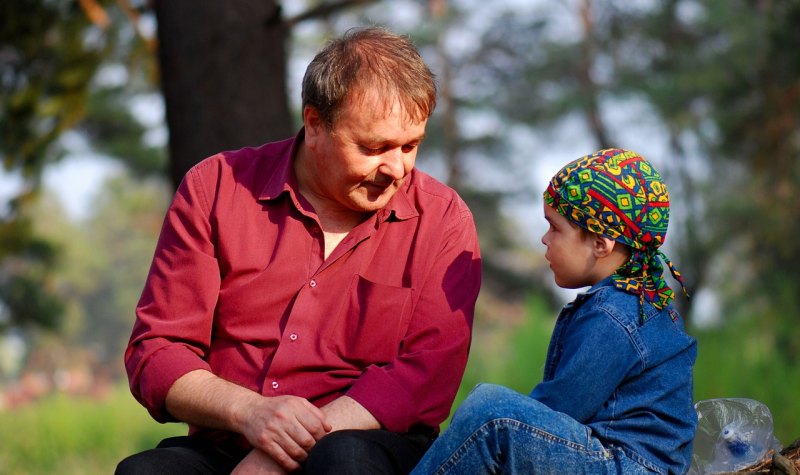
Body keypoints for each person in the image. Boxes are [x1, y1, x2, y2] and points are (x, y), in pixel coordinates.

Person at [116, 27, 482, 475]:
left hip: (368, 447)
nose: (397, 168)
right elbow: (157, 350)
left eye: (411, 145)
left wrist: (275, 454)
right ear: (314, 125)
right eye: (374, 148)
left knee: (344, 460)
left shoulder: (444, 220)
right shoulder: (213, 188)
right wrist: (250, 414)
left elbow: (429, 374)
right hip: (228, 439)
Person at [410, 148, 697, 475]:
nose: (544, 239)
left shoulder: (615, 314)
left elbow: (560, 410)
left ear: (601, 243)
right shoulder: (640, 302)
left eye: (555, 228)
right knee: (495, 415)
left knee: (492, 417)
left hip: (626, 465)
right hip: (629, 462)